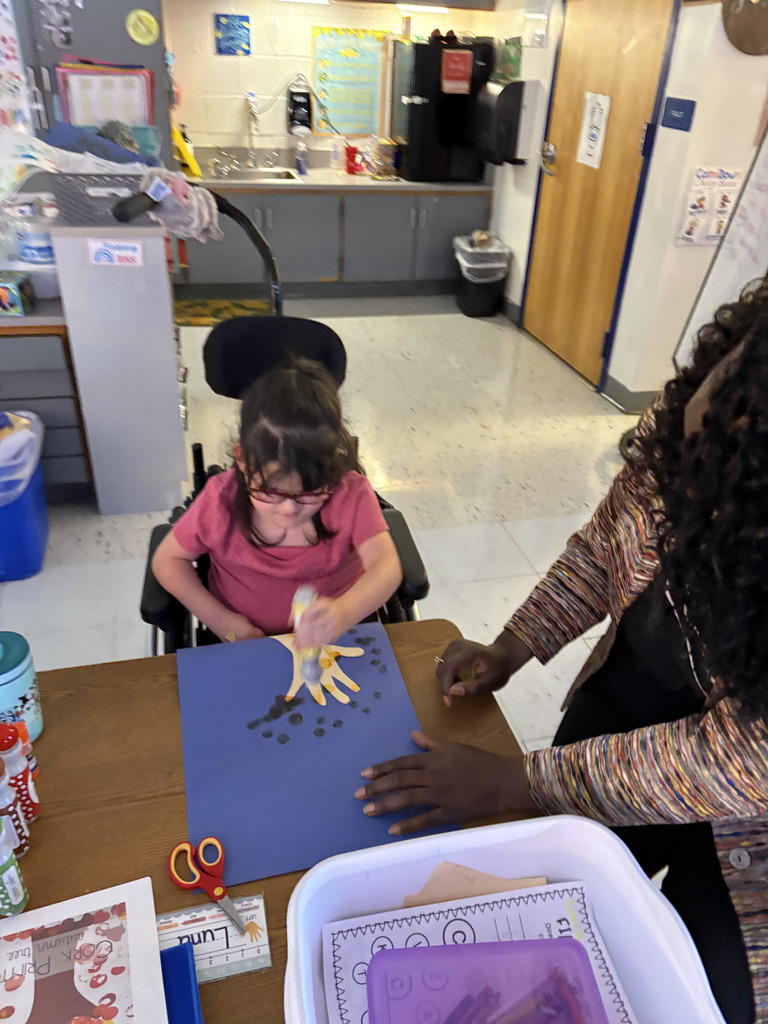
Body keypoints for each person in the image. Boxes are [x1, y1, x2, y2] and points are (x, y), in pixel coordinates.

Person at [355, 278, 768, 1024]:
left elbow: (729, 764)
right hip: (625, 706)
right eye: (693, 439)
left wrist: (518, 782)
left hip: (748, 825)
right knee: (558, 914)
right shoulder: (684, 425)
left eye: (723, 483)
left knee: (705, 992)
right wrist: (516, 642)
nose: (690, 475)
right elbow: (608, 539)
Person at [153, 358, 402, 647]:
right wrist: (221, 621)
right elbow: (168, 560)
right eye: (271, 492)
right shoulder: (220, 500)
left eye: (311, 491)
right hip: (242, 641)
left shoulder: (350, 494)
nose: (289, 508)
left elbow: (386, 566)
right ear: (242, 459)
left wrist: (342, 614)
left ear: (333, 466)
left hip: (338, 637)